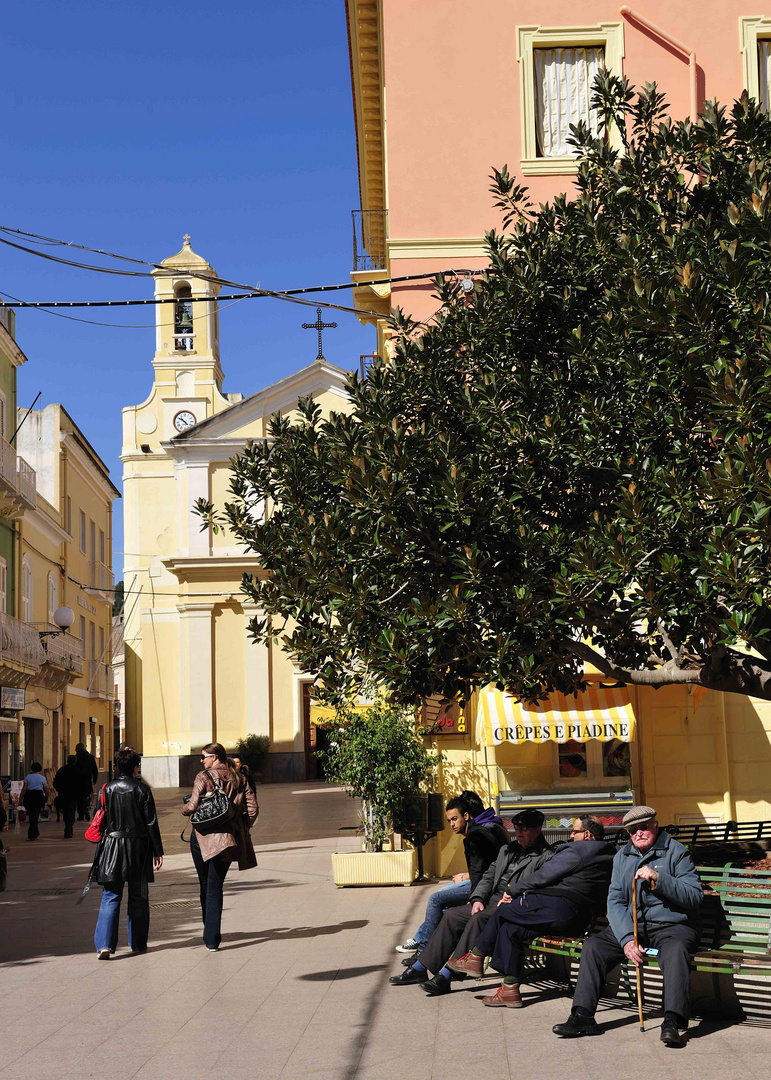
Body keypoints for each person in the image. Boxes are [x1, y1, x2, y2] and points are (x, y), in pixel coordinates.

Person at [553, 805, 703, 1047]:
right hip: (634, 927)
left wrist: (659, 879)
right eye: (632, 830)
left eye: (643, 827)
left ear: (655, 824)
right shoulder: (623, 856)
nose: (638, 833)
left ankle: (673, 1021)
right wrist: (626, 940)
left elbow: (694, 896)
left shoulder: (676, 852)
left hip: (672, 926)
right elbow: (615, 900)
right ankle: (582, 1016)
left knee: (675, 952)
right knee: (594, 947)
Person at [448, 816, 616, 1007]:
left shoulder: (580, 850)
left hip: (559, 908)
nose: (570, 835)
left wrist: (512, 891)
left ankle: (476, 957)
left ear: (587, 834)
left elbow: (544, 875)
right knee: (511, 929)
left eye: (574, 831)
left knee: (503, 911)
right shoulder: (609, 853)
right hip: (577, 921)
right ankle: (510, 990)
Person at [390, 808, 552, 995]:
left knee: (478, 920)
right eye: (516, 828)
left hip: (511, 906)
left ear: (538, 829)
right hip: (491, 901)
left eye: (524, 829)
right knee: (452, 915)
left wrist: (514, 897)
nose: (518, 833)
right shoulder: (508, 850)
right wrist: (477, 898)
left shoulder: (546, 856)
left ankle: (447, 975)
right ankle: (420, 968)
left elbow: (539, 887)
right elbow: (488, 876)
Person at [395, 791, 509, 958]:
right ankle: (423, 943)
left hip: (489, 888)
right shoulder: (491, 824)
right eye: (449, 821)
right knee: (443, 899)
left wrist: (475, 897)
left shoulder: (477, 834)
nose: (452, 824)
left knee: (437, 898)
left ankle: (422, 949)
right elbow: (486, 866)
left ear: (467, 814)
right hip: (489, 884)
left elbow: (482, 871)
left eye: (455, 819)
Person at [183, 742, 259, 951]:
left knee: (205, 884)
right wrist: (238, 827)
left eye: (204, 756)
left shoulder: (203, 777)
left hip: (202, 838)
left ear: (215, 757)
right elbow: (252, 810)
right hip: (227, 840)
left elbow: (192, 806)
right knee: (216, 886)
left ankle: (209, 929)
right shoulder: (239, 778)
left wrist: (184, 808)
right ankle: (212, 939)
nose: (202, 760)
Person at [88, 749, 163, 957]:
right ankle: (138, 943)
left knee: (110, 895)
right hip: (138, 847)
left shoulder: (106, 789)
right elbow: (151, 823)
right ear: (135, 767)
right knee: (138, 896)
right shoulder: (142, 789)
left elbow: (98, 818)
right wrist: (158, 851)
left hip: (111, 846)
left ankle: (104, 944)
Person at [53, 755, 84, 838]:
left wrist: (59, 790)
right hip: (73, 796)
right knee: (71, 812)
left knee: (66, 812)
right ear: (75, 762)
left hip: (63, 794)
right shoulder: (77, 771)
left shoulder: (61, 770)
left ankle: (68, 827)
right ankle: (68, 828)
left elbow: (55, 782)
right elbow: (81, 784)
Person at [19, 763, 50, 841]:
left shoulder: (28, 777)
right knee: (35, 815)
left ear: (31, 769)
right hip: (38, 796)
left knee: (32, 815)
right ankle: (33, 833)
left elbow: (24, 789)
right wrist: (47, 797)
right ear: (40, 769)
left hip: (29, 796)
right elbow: (46, 790)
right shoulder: (42, 778)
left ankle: (33, 832)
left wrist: (20, 798)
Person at [75, 742, 98, 820]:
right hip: (88, 780)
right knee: (87, 796)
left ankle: (81, 815)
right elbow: (95, 769)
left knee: (79, 797)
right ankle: (86, 809)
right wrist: (95, 779)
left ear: (78, 749)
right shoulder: (90, 757)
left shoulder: (76, 757)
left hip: (78, 780)